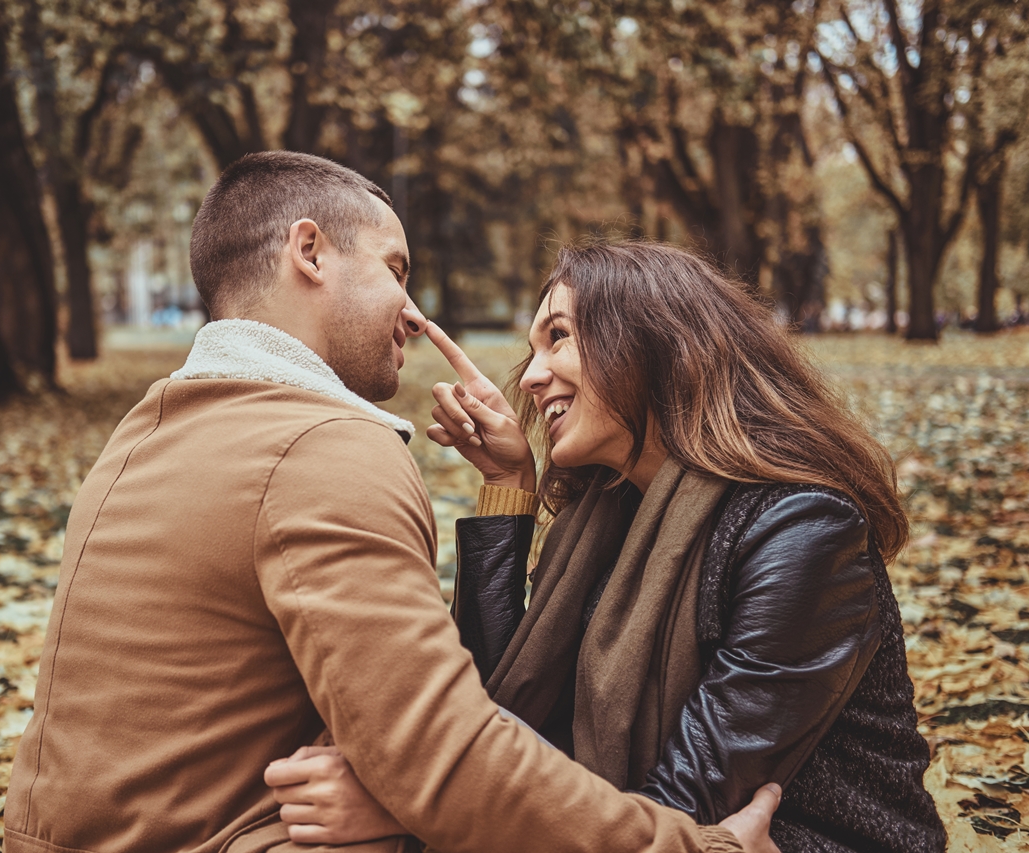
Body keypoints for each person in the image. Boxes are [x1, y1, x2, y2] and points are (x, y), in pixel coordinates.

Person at [3, 154, 781, 853]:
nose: (413, 310)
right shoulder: (322, 445)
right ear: (310, 252)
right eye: (395, 269)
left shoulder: (145, 431)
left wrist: (508, 488)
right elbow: (447, 755)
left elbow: (456, 725)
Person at [268, 241, 946, 853]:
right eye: (534, 350)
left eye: (557, 337)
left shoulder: (800, 529)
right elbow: (506, 707)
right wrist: (508, 484)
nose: (531, 377)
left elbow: (686, 807)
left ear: (655, 343)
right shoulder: (609, 515)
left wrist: (414, 807)